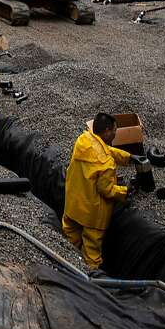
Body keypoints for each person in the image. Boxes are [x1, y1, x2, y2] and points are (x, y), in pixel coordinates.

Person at [62, 112, 133, 269]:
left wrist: (128, 157)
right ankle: (90, 281)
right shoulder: (106, 164)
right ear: (107, 130)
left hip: (73, 206)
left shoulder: (83, 140)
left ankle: (66, 266)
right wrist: (125, 191)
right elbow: (106, 190)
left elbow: (103, 149)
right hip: (92, 215)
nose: (115, 133)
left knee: (69, 240)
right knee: (92, 253)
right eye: (115, 130)